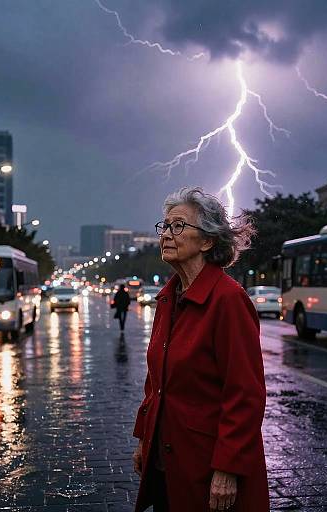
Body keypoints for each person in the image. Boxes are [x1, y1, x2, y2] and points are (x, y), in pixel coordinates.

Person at [132, 187, 269, 512]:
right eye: (164, 226)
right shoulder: (169, 298)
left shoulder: (228, 300)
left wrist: (227, 468)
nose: (166, 234)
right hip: (167, 461)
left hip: (207, 466)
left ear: (207, 241)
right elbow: (157, 381)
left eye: (178, 226)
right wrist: (144, 438)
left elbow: (245, 394)